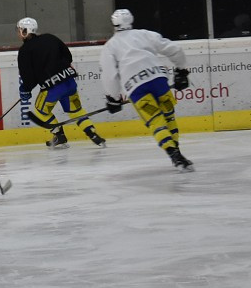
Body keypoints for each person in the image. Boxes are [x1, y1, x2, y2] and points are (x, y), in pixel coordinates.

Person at [99, 9, 194, 171]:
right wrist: (181, 70)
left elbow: (109, 75)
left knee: (156, 121)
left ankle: (175, 155)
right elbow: (175, 49)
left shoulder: (110, 46)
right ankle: (176, 150)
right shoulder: (144, 34)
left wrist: (113, 98)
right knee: (168, 117)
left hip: (136, 86)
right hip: (158, 78)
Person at [16, 17, 105, 149]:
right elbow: (68, 56)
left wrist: (25, 89)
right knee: (76, 110)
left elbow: (28, 77)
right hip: (69, 83)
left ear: (25, 31)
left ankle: (59, 135)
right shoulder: (50, 38)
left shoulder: (24, 51)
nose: (17, 33)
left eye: (19, 30)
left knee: (41, 110)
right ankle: (93, 134)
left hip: (53, 89)